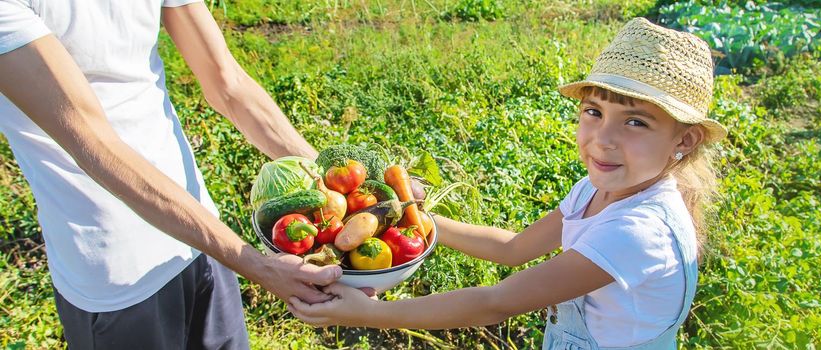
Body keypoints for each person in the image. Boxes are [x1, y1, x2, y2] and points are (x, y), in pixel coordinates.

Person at [287, 17, 728, 349]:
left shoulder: (638, 232)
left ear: (683, 141)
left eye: (635, 121)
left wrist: (373, 313)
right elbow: (512, 248)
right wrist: (412, 215)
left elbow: (499, 301)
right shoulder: (597, 191)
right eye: (594, 112)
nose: (603, 139)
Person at [0, 1, 344, 348]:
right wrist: (258, 266)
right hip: (117, 273)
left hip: (203, 240)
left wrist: (336, 185)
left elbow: (228, 83)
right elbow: (96, 144)